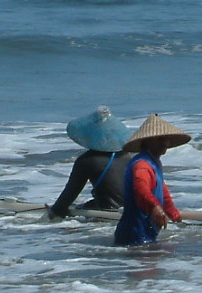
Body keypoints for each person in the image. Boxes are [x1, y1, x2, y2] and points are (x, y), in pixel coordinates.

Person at [113, 113, 190, 247]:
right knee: (145, 264)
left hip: (147, 229)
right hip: (135, 231)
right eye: (160, 139)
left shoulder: (154, 163)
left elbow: (162, 190)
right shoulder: (142, 164)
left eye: (166, 139)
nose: (165, 143)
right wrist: (155, 207)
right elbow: (141, 188)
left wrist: (173, 213)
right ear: (147, 141)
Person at [47, 106, 133, 218]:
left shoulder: (87, 160)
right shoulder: (127, 156)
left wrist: (54, 212)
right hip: (134, 210)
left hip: (107, 215)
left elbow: (69, 195)